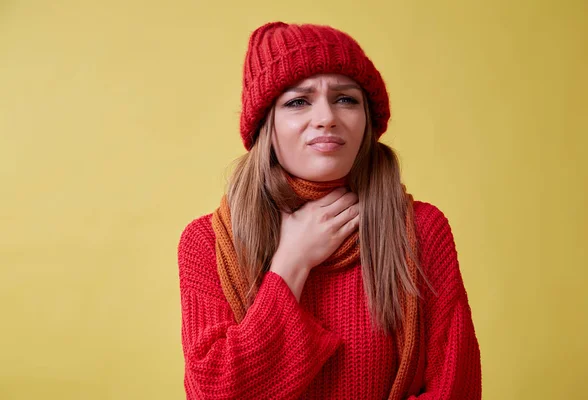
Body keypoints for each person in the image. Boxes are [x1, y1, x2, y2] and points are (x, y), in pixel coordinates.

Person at [177, 21, 482, 399]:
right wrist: (291, 263)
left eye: (345, 99)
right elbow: (215, 393)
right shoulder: (206, 243)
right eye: (298, 101)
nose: (326, 117)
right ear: (265, 127)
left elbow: (456, 388)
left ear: (367, 121)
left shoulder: (422, 230)